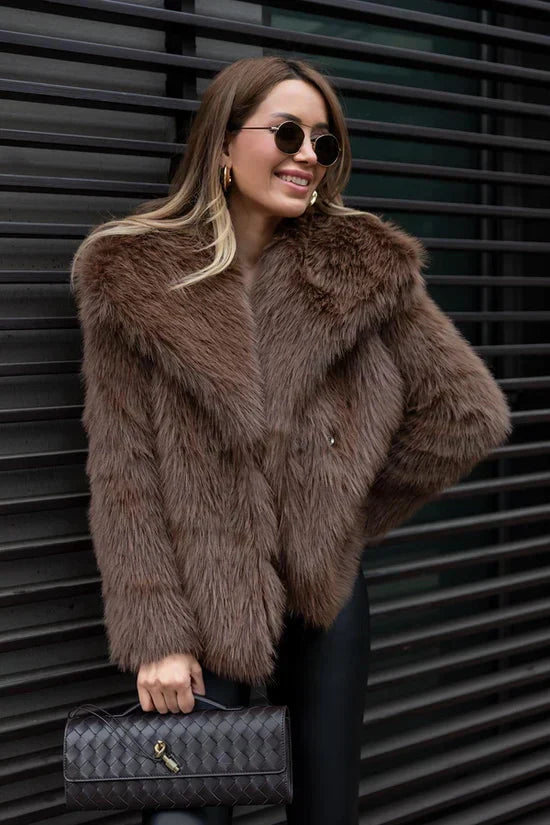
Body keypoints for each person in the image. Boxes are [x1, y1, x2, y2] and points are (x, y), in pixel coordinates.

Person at [70, 56, 512, 825]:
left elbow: (466, 415)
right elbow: (123, 470)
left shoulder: (361, 265)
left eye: (323, 141)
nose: (309, 154)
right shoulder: (131, 274)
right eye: (287, 133)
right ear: (222, 145)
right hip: (201, 599)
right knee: (180, 813)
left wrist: (332, 512)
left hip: (324, 595)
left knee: (326, 810)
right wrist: (157, 636)